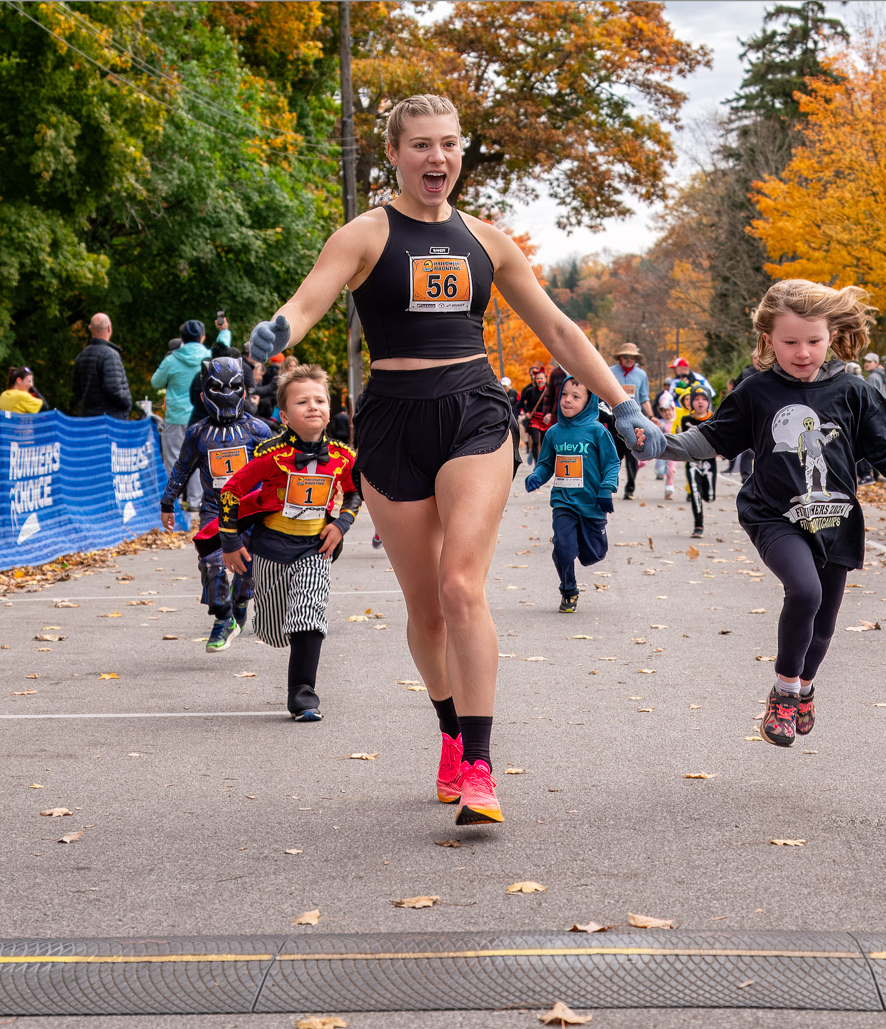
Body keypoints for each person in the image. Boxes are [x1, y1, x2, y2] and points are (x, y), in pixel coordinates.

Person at [242, 94, 664, 825]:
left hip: (474, 413)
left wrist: (621, 403)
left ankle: (479, 762)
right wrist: (276, 330)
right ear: (396, 155)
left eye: (448, 144)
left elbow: (559, 330)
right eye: (420, 146)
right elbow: (309, 300)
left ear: (460, 151)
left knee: (462, 585)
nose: (437, 158)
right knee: (427, 609)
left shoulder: (488, 242)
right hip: (393, 425)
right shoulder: (365, 235)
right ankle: (448, 729)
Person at [650, 279, 886, 748]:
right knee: (805, 591)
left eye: (813, 341)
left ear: (831, 335)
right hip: (773, 514)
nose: (802, 352)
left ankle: (805, 687)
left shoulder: (853, 390)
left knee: (826, 622)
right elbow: (709, 440)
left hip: (835, 520)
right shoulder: (757, 392)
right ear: (768, 340)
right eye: (789, 342)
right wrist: (657, 443)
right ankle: (783, 692)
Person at [214, 365, 361, 720]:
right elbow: (232, 490)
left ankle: (303, 695)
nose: (313, 407)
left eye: (320, 400)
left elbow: (356, 493)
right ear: (284, 415)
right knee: (274, 628)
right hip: (270, 548)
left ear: (330, 408)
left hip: (315, 549)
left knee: (309, 616)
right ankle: (265, 621)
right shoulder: (269, 454)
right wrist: (231, 540)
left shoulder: (344, 457)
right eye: (302, 402)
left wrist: (341, 524)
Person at [160, 358, 274, 651]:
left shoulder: (258, 431)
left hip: (250, 510)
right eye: (216, 388)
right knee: (211, 564)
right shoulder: (197, 433)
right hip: (214, 510)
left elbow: (276, 469)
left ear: (243, 392)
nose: (225, 394)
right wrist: (168, 501)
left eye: (233, 387)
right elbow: (181, 468)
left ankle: (239, 602)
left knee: (248, 569)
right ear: (203, 395)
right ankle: (223, 618)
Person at [523, 375, 619, 613]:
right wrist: (537, 476)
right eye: (564, 394)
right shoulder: (554, 432)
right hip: (563, 502)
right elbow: (546, 464)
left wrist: (606, 488)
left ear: (588, 402)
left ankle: (587, 548)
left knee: (594, 554)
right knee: (563, 546)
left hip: (592, 503)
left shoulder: (598, 431)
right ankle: (569, 590)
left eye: (576, 396)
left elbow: (612, 463)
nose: (567, 400)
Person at [152, 320, 213, 510]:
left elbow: (155, 382)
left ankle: (174, 502)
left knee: (173, 460)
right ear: (202, 337)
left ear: (182, 338)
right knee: (199, 458)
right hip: (201, 415)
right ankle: (195, 501)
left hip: (176, 416)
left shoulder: (171, 359)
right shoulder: (210, 357)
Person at [607, 343, 654, 499]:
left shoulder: (641, 375)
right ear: (621, 357)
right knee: (614, 453)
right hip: (614, 417)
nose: (629, 360)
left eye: (632, 357)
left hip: (635, 419)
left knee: (633, 454)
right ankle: (612, 482)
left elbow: (644, 398)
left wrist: (652, 417)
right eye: (626, 357)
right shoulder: (610, 372)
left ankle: (630, 488)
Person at [71, 313, 132, 419]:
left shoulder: (81, 355)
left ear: (90, 328)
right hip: (110, 420)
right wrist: (127, 403)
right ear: (109, 328)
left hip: (88, 417)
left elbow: (76, 390)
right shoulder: (110, 355)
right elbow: (113, 389)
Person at [680, 386, 716, 539]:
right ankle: (698, 525)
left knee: (709, 495)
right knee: (695, 492)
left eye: (703, 399)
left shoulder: (715, 418)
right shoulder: (686, 420)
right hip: (692, 461)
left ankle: (708, 495)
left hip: (709, 462)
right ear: (691, 403)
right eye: (696, 399)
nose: (700, 402)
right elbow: (683, 439)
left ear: (708, 402)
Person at [519, 366, 549, 465]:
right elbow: (520, 403)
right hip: (534, 419)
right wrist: (526, 411)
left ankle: (545, 461)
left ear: (545, 379)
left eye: (541, 378)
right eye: (537, 379)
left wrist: (550, 414)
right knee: (535, 441)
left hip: (546, 420)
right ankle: (537, 462)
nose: (539, 380)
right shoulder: (529, 391)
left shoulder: (550, 391)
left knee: (545, 442)